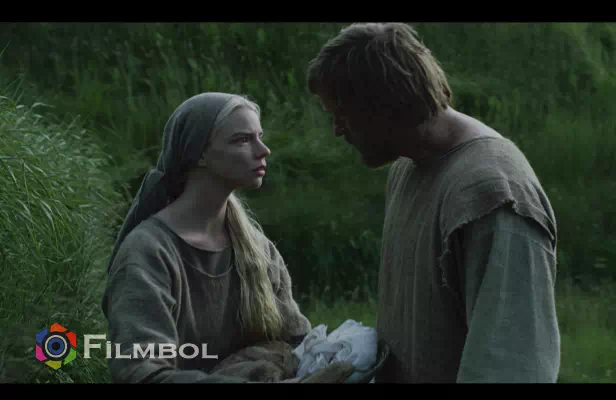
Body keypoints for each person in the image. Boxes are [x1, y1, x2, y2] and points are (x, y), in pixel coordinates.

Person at [306, 23, 561, 383]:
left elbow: (512, 364)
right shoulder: (406, 165)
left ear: (383, 106)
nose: (337, 130)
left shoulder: (493, 196)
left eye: (343, 116)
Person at [101, 92, 352, 383]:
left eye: (259, 137)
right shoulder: (148, 252)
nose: (264, 150)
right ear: (200, 154)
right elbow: (140, 373)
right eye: (242, 140)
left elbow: (296, 341)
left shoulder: (257, 249)